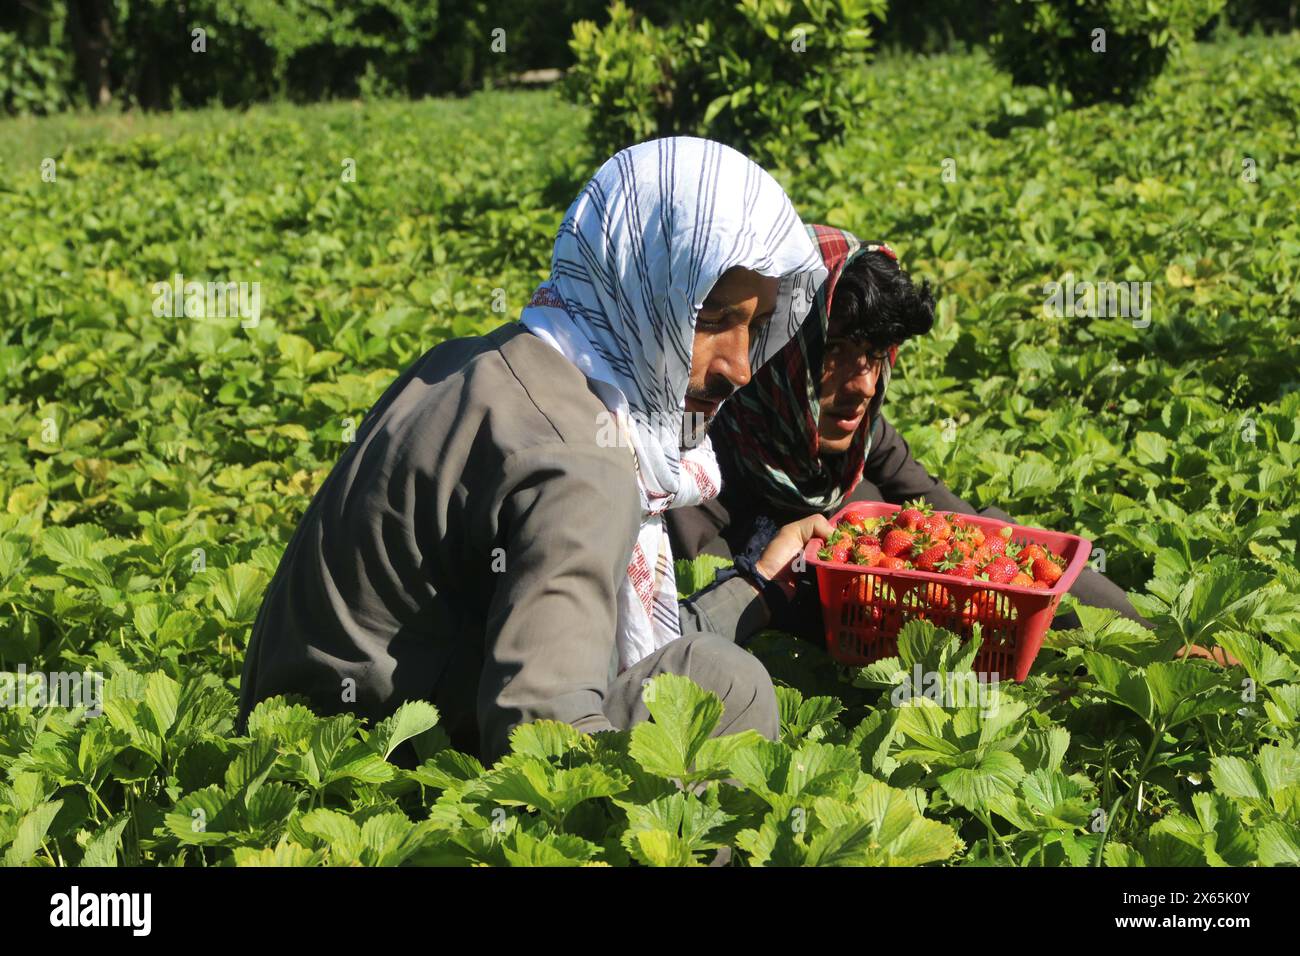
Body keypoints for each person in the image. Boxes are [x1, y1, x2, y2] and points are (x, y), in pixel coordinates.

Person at [235, 137, 834, 767]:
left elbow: (569, 626)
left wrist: (756, 585)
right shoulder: (585, 461)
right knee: (724, 685)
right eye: (712, 319)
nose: (741, 367)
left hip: (290, 753)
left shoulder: (468, 364)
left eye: (756, 323)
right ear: (644, 287)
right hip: (375, 793)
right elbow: (544, 749)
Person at [665, 224, 1150, 639]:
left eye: (877, 355)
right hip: (792, 671)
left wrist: (1146, 637)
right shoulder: (699, 454)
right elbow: (701, 617)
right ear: (778, 342)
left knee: (880, 508)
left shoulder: (863, 435)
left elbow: (978, 538)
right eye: (837, 352)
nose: (864, 385)